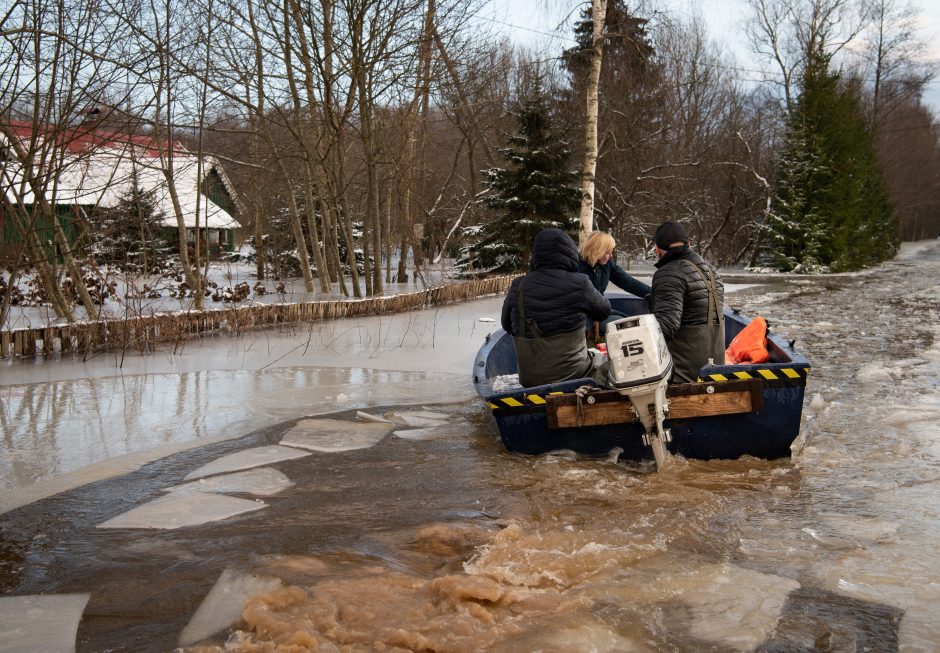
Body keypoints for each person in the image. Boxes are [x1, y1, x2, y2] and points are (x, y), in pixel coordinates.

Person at [501, 228, 612, 387]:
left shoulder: (519, 285)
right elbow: (604, 311)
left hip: (530, 380)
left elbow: (507, 325)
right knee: (615, 363)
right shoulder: (580, 282)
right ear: (569, 253)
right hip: (575, 374)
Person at [649, 221, 725, 383]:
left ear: (658, 250)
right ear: (689, 244)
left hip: (683, 374)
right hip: (716, 370)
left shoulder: (668, 272)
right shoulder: (712, 272)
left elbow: (666, 327)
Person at [578, 230, 650, 339]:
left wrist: (655, 294)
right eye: (608, 252)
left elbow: (630, 283)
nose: (611, 255)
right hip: (582, 318)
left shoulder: (607, 265)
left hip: (600, 312)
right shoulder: (577, 266)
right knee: (622, 328)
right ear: (597, 251)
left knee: (630, 324)